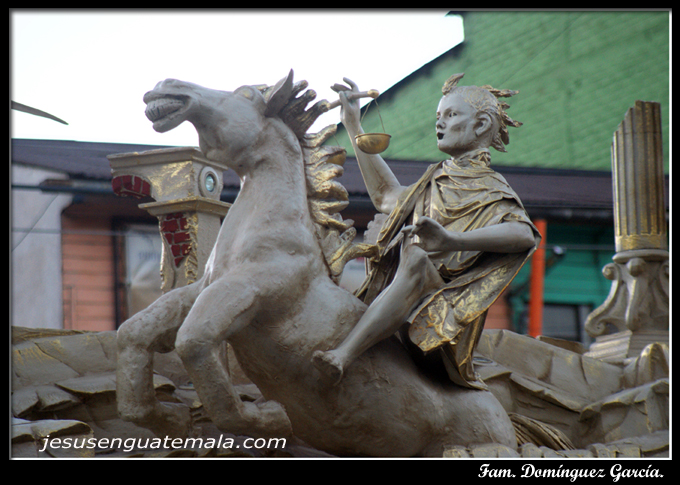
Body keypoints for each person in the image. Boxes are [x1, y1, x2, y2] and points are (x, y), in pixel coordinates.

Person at [312, 73, 540, 389]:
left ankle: (343, 355)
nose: (439, 123)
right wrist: (353, 125)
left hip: (443, 316)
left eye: (451, 114)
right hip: (402, 296)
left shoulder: (492, 188)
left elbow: (523, 234)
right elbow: (385, 196)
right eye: (438, 116)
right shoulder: (434, 179)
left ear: (481, 125)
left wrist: (451, 239)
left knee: (417, 257)